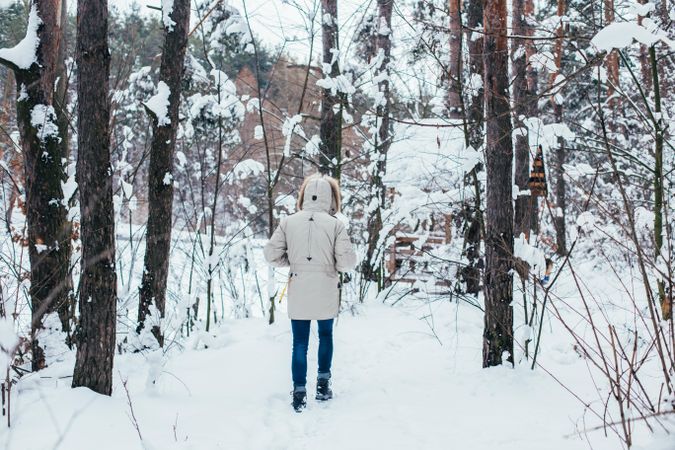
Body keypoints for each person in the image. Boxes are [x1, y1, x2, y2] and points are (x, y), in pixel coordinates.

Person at [264, 173, 357, 412]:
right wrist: (330, 265)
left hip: (299, 285)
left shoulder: (288, 222)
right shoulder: (336, 225)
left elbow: (270, 255)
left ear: (305, 195)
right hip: (326, 287)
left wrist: (295, 263)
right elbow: (346, 263)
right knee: (326, 336)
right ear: (331, 198)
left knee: (299, 343)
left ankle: (299, 392)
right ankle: (323, 386)